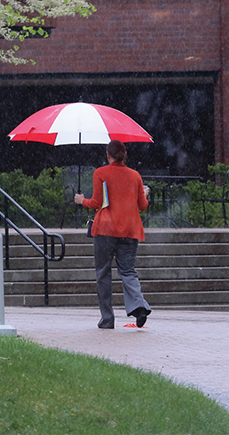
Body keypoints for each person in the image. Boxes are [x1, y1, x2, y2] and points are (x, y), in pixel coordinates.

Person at [74, 140, 152, 329]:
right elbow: (142, 206)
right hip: (130, 229)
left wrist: (81, 200)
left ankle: (107, 319)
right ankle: (139, 306)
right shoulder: (135, 176)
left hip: (106, 230)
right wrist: (144, 194)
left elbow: (96, 203)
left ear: (107, 155)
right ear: (124, 155)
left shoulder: (101, 173)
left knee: (103, 273)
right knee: (128, 271)